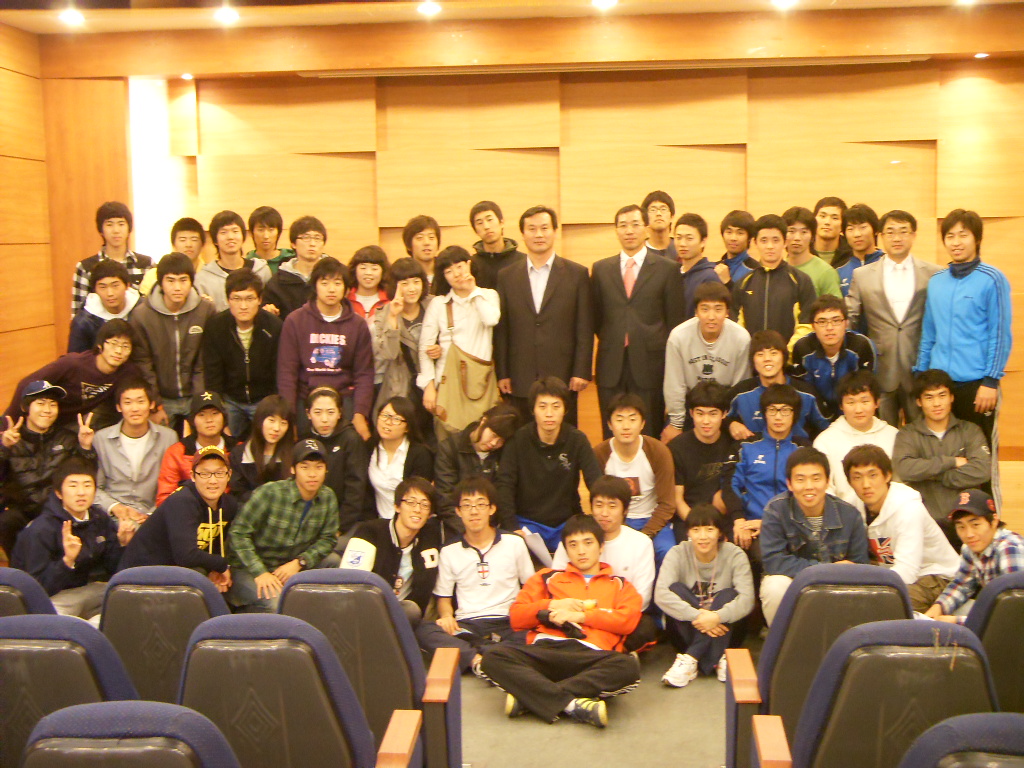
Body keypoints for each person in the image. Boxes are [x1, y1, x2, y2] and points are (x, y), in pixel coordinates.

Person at [480, 514, 642, 728]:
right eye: (573, 545)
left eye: (588, 543)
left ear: (601, 546)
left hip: (590, 656)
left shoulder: (620, 585)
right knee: (493, 656)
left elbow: (627, 622)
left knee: (627, 666)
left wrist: (582, 616)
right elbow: (516, 617)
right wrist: (552, 605)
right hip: (544, 651)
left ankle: (532, 697)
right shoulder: (547, 577)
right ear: (565, 549)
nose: (581, 551)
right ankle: (572, 704)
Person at [416, 476, 535, 674]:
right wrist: (447, 616)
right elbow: (444, 599)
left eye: (480, 504)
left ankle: (479, 655)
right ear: (458, 511)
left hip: (509, 621)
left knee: (538, 635)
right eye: (467, 505)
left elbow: (531, 588)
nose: (474, 511)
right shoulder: (449, 550)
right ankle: (480, 659)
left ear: (492, 509)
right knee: (425, 630)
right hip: (469, 626)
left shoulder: (514, 542)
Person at [916, 208, 1012, 450]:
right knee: (946, 452)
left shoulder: (992, 279)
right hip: (941, 385)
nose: (956, 242)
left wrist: (990, 381)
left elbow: (1000, 335)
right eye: (950, 236)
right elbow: (929, 334)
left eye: (963, 235)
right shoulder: (937, 281)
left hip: (977, 384)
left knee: (981, 452)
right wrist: (921, 375)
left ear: (976, 239)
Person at [494, 205, 592, 425]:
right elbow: (502, 330)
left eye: (544, 228)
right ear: (522, 234)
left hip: (563, 376)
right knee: (521, 436)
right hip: (519, 376)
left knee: (564, 436)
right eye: (532, 229)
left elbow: (584, 326)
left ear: (555, 231)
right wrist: (503, 372)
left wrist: (581, 370)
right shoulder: (506, 276)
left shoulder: (577, 274)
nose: (539, 234)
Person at [592, 203, 681, 437]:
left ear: (646, 228)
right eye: (623, 225)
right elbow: (597, 318)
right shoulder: (601, 269)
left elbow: (674, 322)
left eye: (635, 224)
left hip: (650, 364)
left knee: (648, 431)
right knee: (611, 433)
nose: (629, 231)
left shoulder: (667, 269)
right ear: (616, 231)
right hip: (611, 363)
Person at [846, 209, 940, 427]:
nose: (897, 238)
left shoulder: (934, 273)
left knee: (922, 433)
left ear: (914, 235)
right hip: (880, 368)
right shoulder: (862, 275)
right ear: (880, 236)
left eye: (903, 231)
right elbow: (850, 319)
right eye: (890, 232)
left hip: (919, 367)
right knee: (883, 434)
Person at [758, 446, 870, 625]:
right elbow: (774, 561)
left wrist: (837, 574)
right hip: (795, 582)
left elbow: (860, 564)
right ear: (789, 484)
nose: (809, 486)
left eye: (816, 478)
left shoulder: (850, 515)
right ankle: (783, 641)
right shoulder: (776, 510)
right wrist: (826, 570)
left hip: (837, 585)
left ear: (827, 482)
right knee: (775, 586)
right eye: (800, 479)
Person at [12, 457, 134, 619]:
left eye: (87, 485)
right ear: (59, 493)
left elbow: (113, 570)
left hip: (90, 590)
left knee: (126, 601)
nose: (81, 492)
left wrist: (122, 544)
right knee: (58, 620)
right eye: (73, 485)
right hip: (54, 596)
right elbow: (38, 587)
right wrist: (67, 561)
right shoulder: (42, 528)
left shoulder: (99, 518)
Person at [843, 445, 960, 613]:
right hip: (891, 574)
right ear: (849, 482)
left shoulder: (908, 509)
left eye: (873, 475)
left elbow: (907, 572)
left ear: (887, 475)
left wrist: (866, 580)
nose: (866, 484)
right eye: (857, 477)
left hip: (935, 575)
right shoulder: (850, 505)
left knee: (889, 605)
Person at [227, 438, 340, 612]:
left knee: (333, 561)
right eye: (305, 467)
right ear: (293, 469)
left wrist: (300, 562)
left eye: (318, 467)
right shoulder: (270, 493)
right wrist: (260, 572)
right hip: (250, 567)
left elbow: (328, 539)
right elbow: (238, 533)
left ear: (326, 470)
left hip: (289, 563)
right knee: (278, 602)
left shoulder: (328, 497)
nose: (312, 474)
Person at [496, 377, 602, 552]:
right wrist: (512, 527)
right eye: (542, 406)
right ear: (533, 409)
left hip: (566, 523)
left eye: (556, 406)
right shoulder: (518, 440)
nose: (549, 413)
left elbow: (595, 482)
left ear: (565, 409)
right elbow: (504, 485)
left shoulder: (577, 440)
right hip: (526, 524)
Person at [655, 504, 754, 687]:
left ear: (719, 533)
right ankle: (718, 659)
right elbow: (661, 594)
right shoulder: (677, 553)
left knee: (729, 594)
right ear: (688, 533)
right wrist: (699, 616)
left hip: (727, 630)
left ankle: (691, 658)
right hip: (688, 630)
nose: (703, 536)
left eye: (709, 529)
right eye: (696, 530)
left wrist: (717, 617)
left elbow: (747, 599)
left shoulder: (734, 554)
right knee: (675, 589)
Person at [277, 255, 374, 441]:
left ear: (346, 289)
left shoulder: (358, 325)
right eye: (325, 283)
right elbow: (287, 373)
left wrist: (360, 413)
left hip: (343, 397)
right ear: (314, 286)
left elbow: (364, 373)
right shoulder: (295, 321)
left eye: (337, 283)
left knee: (354, 440)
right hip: (306, 397)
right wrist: (289, 417)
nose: (331, 289)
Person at [118, 445, 237, 594]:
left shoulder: (229, 505)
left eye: (219, 473)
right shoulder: (182, 502)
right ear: (193, 476)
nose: (213, 481)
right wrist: (221, 565)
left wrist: (215, 570)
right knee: (197, 578)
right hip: (140, 576)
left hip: (177, 571)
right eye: (205, 474)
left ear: (229, 475)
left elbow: (217, 547)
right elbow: (185, 556)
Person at [893, 369, 992, 547]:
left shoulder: (970, 431)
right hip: (924, 526)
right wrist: (951, 462)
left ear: (952, 397)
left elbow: (982, 471)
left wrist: (935, 475)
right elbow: (904, 469)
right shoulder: (907, 434)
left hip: (966, 527)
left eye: (942, 395)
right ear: (919, 402)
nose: (937, 403)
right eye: (929, 397)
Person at [0, 381, 97, 560]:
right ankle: (18, 568)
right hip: (21, 510)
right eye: (41, 403)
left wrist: (85, 448)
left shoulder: (67, 438)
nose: (47, 410)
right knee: (6, 521)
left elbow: (85, 475)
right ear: (25, 408)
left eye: (53, 404)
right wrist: (4, 449)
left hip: (58, 510)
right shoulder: (10, 439)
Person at [341, 476, 451, 622]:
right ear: (397, 506)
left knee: (412, 611)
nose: (417, 509)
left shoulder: (431, 537)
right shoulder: (370, 532)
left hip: (408, 619)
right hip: (366, 614)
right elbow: (349, 583)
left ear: (430, 514)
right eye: (411, 502)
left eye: (425, 505)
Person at [418, 245, 501, 439]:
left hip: (480, 382)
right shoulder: (438, 304)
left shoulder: (488, 295)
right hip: (446, 382)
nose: (456, 273)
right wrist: (428, 386)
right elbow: (425, 347)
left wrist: (472, 291)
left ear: (469, 265)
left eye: (460, 266)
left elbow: (491, 320)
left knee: (481, 438)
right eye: (448, 271)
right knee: (447, 439)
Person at [129, 252, 216, 429]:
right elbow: (143, 364)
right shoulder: (142, 315)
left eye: (183, 280)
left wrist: (200, 401)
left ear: (191, 281)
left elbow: (205, 361)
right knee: (164, 443)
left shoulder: (206, 310)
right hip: (162, 398)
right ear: (161, 282)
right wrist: (155, 404)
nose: (177, 287)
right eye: (170, 281)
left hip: (196, 395)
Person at [5, 319, 142, 432]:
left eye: (125, 346)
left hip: (70, 426)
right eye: (113, 344)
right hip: (43, 419)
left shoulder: (128, 372)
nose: (118, 351)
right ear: (100, 345)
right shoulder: (73, 364)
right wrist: (9, 425)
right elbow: (25, 385)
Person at [551, 476, 656, 617]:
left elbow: (642, 597)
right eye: (599, 505)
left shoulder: (641, 543)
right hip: (572, 615)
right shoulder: (573, 542)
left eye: (612, 506)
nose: (604, 513)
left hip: (620, 616)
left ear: (625, 510)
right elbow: (556, 584)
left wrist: (603, 616)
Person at [662, 281, 751, 442]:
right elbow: (674, 385)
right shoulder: (678, 337)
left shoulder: (741, 338)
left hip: (725, 407)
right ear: (696, 312)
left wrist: (730, 421)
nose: (711, 316)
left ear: (727, 312)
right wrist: (676, 423)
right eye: (705, 309)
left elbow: (741, 387)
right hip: (690, 404)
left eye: (718, 309)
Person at [593, 395, 675, 563]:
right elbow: (597, 499)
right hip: (614, 520)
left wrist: (644, 535)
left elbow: (667, 504)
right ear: (609, 424)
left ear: (642, 423)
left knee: (667, 551)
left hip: (652, 519)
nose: (626, 426)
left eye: (632, 419)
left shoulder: (658, 451)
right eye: (619, 419)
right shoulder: (600, 453)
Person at [202, 270, 283, 439]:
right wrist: (219, 411)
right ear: (228, 300)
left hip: (264, 399)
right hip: (230, 399)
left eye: (249, 299)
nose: (243, 306)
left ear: (259, 300)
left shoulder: (274, 326)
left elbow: (279, 370)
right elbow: (212, 374)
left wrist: (274, 406)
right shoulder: (215, 327)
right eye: (237, 299)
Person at [925, 489, 1024, 623]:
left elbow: (1015, 609)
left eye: (975, 525)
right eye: (961, 527)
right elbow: (963, 584)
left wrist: (957, 622)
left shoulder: (1009, 548)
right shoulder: (970, 548)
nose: (969, 534)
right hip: (999, 612)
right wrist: (939, 607)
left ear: (994, 521)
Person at [730, 384, 805, 555]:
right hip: (750, 524)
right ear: (764, 413)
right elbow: (731, 485)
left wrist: (772, 523)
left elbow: (808, 493)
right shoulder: (745, 446)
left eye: (785, 410)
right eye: (772, 410)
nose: (778, 416)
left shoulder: (803, 449)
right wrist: (739, 520)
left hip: (793, 526)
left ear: (794, 414)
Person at [93, 378, 178, 524]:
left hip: (155, 516)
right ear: (119, 407)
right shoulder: (101, 438)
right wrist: (115, 507)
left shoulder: (168, 437)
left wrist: (153, 515)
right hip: (111, 517)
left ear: (151, 404)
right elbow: (94, 487)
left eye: (140, 401)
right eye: (128, 403)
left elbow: (173, 484)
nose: (135, 408)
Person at [667, 382, 741, 540]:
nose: (706, 421)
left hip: (725, 519)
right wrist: (701, 529)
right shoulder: (676, 447)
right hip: (689, 519)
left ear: (724, 414)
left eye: (713, 414)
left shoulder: (733, 445)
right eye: (700, 414)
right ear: (691, 413)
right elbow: (677, 500)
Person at [725, 330, 829, 442]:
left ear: (784, 357)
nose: (767, 359)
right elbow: (716, 414)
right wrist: (730, 424)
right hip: (753, 451)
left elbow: (827, 427)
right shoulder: (740, 392)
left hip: (797, 451)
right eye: (760, 354)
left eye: (773, 353)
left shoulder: (807, 393)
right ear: (753, 360)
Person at [813, 371, 898, 505]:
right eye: (851, 402)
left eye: (865, 401)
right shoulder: (825, 441)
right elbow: (825, 488)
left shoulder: (893, 436)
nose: (858, 409)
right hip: (844, 513)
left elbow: (900, 482)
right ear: (841, 406)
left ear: (877, 403)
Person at [371, 257, 434, 434]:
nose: (412, 288)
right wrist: (393, 318)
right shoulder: (383, 314)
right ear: (394, 286)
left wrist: (439, 349)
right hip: (402, 386)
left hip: (436, 383)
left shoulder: (434, 305)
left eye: (416, 282)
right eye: (405, 283)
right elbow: (389, 354)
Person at [732, 214, 817, 346]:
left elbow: (807, 324)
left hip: (789, 356)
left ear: (785, 242)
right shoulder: (743, 283)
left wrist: (787, 353)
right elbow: (736, 327)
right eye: (764, 240)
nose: (770, 246)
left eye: (776, 240)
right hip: (752, 356)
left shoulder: (800, 281)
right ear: (755, 242)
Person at [434, 402, 519, 528]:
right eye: (494, 435)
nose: (494, 443)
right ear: (484, 421)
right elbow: (445, 500)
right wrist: (470, 532)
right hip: (457, 526)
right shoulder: (450, 448)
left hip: (492, 527)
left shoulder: (502, 454)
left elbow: (503, 497)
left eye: (501, 440)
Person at [791, 294, 876, 418]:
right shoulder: (803, 349)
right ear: (813, 326)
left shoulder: (861, 346)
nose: (829, 328)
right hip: (816, 416)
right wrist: (825, 421)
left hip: (854, 414)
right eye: (822, 322)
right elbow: (805, 393)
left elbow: (866, 392)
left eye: (836, 321)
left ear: (846, 323)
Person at [300, 387, 367, 536]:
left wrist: (339, 527)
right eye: (318, 412)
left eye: (330, 412)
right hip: (311, 516)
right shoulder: (305, 438)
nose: (324, 419)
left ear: (339, 413)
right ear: (308, 414)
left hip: (343, 519)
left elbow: (355, 488)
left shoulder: (351, 439)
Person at [71, 201, 151, 314]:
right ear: (101, 230)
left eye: (121, 224)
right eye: (109, 225)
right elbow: (79, 313)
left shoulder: (146, 264)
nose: (116, 230)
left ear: (129, 228)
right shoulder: (86, 268)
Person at [156, 391, 235, 505]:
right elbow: (165, 498)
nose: (209, 420)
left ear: (224, 417)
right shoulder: (177, 452)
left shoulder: (237, 450)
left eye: (215, 413)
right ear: (192, 420)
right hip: (188, 511)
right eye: (202, 415)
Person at [365, 396, 434, 521]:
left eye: (396, 419)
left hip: (409, 521)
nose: (388, 422)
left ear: (407, 427)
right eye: (385, 416)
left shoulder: (420, 454)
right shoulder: (369, 447)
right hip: (378, 520)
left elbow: (419, 496)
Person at [193, 210, 272, 313]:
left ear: (243, 236)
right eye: (223, 232)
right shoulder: (203, 278)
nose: (230, 237)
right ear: (215, 240)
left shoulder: (261, 270)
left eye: (235, 231)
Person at [229, 394, 295, 504]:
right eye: (272, 420)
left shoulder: (294, 454)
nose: (277, 428)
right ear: (260, 420)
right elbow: (238, 494)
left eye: (283, 423)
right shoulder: (239, 454)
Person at [262, 216, 327, 321]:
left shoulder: (333, 275)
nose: (312, 244)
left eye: (317, 238)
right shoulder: (278, 282)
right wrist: (270, 312)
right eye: (306, 238)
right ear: (293, 244)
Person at [68, 259, 140, 353]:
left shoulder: (142, 311)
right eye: (102, 287)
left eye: (115, 286)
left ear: (127, 286)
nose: (110, 293)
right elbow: (75, 359)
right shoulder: (84, 322)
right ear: (95, 290)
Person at [138, 217, 209, 296]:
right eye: (182, 240)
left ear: (202, 244)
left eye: (194, 240)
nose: (188, 244)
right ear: (173, 244)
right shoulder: (153, 276)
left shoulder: (210, 275)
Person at [673, 212, 722, 321]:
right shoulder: (672, 272)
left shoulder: (709, 276)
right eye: (678, 238)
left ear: (703, 241)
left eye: (689, 238)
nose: (682, 243)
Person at [783, 205, 841, 298]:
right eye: (791, 231)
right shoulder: (777, 269)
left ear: (812, 237)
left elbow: (834, 306)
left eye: (804, 232)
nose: (797, 238)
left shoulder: (825, 272)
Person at [469, 200, 526, 289]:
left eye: (489, 220)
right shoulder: (471, 265)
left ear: (501, 223)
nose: (486, 226)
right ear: (475, 231)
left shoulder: (523, 261)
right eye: (480, 223)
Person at [834, 203, 884, 296]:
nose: (857, 234)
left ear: (875, 230)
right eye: (850, 229)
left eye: (863, 227)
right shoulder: (839, 272)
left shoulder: (888, 265)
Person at [347, 245, 390, 322]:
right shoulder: (346, 300)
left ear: (383, 271)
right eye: (363, 268)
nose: (368, 273)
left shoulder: (390, 300)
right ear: (354, 270)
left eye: (374, 269)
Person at [247, 205, 295, 274]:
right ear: (252, 233)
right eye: (260, 230)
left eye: (271, 230)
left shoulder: (291, 260)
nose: (266, 236)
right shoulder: (248, 263)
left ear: (278, 232)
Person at [717, 210, 758, 286]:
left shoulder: (755, 270)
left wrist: (727, 282)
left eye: (740, 233)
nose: (733, 238)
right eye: (729, 232)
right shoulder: (715, 267)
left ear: (749, 237)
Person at [402, 214, 441, 286]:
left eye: (431, 237)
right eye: (419, 238)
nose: (427, 243)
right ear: (408, 245)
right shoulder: (402, 275)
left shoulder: (446, 272)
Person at [641, 190, 677, 261]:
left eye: (663, 209)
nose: (658, 213)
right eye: (653, 210)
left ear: (672, 216)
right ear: (645, 218)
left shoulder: (680, 249)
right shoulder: (639, 251)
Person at [812, 196, 849, 266]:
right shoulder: (803, 249)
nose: (827, 222)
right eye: (823, 216)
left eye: (835, 218)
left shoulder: (851, 253)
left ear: (843, 224)